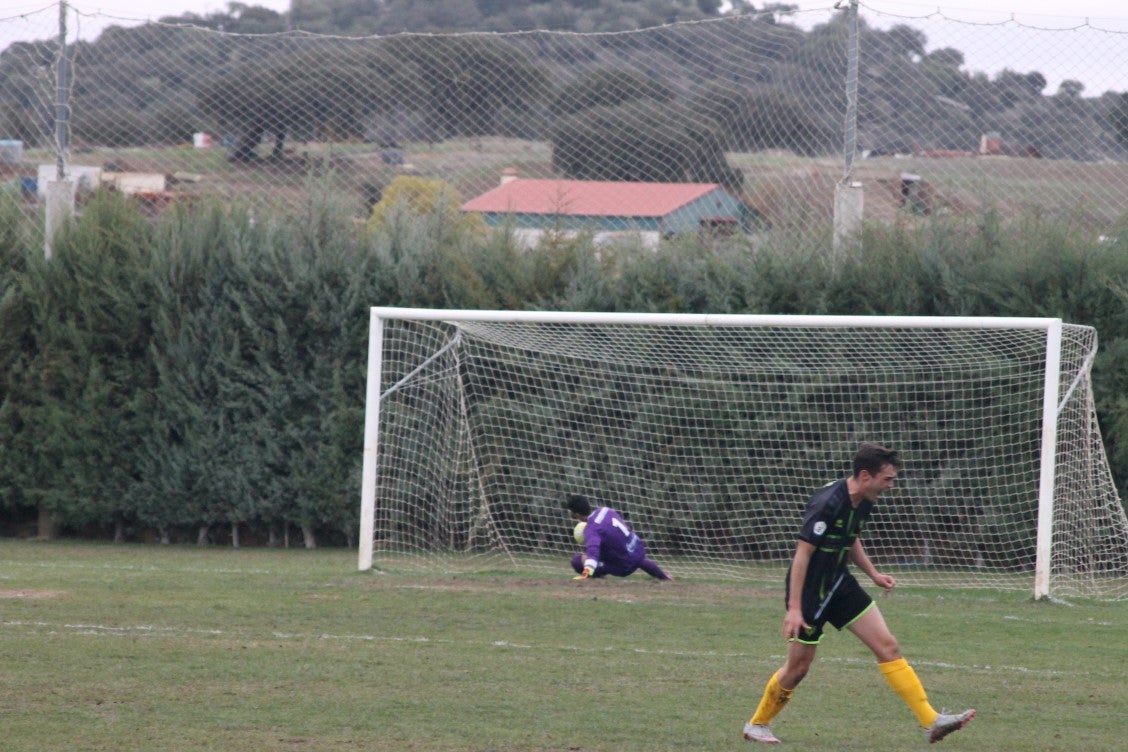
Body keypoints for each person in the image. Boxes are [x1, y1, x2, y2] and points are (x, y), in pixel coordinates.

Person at [742, 442, 975, 745]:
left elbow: (851, 537)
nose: (891, 486)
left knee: (888, 647)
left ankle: (931, 721)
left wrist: (874, 574)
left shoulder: (864, 499)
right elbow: (801, 555)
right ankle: (758, 724)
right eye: (888, 479)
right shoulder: (828, 503)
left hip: (840, 583)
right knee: (798, 668)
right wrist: (794, 608)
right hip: (811, 591)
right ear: (865, 475)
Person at [566, 494, 671, 581]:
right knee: (631, 555)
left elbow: (593, 553)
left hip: (623, 566)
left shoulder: (591, 529)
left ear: (577, 514)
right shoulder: (606, 510)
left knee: (577, 561)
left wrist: (585, 574)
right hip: (637, 549)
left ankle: (598, 578)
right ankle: (664, 577)